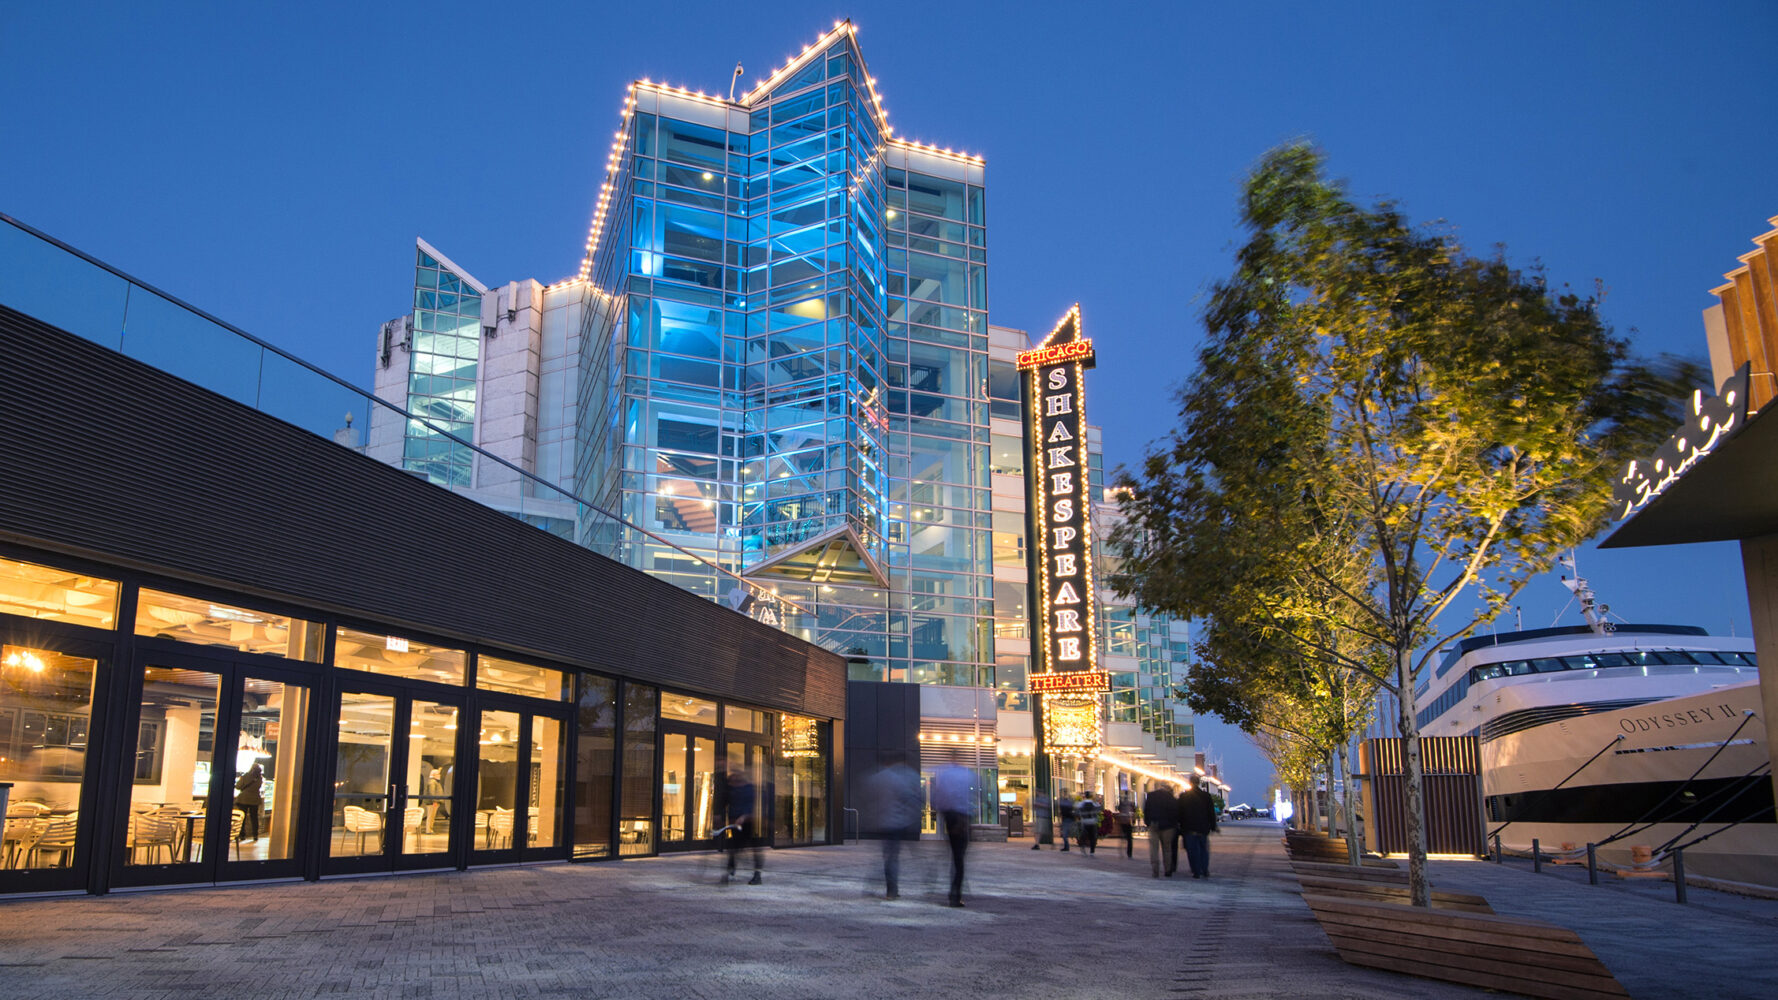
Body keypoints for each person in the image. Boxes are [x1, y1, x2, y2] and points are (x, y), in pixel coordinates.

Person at [865, 754, 921, 899]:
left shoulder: (876, 778)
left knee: (887, 856)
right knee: (892, 858)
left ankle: (883, 887)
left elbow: (869, 798)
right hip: (896, 823)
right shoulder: (896, 778)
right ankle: (891, 890)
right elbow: (908, 797)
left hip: (882, 822)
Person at [930, 763, 974, 907]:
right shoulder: (966, 775)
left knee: (956, 856)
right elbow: (972, 797)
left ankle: (954, 892)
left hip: (951, 817)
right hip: (960, 818)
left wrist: (943, 813)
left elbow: (937, 799)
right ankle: (955, 894)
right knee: (959, 858)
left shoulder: (945, 775)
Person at [715, 766, 763, 884]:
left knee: (753, 848)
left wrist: (745, 816)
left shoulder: (749, 789)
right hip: (735, 822)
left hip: (748, 822)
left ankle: (757, 874)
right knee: (733, 847)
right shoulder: (731, 788)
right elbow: (723, 801)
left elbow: (750, 805)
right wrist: (718, 815)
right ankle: (730, 871)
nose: (734, 779)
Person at [1179, 779, 1219, 879]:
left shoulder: (1184, 797)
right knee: (1203, 849)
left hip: (1189, 828)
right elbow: (1211, 813)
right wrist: (1213, 826)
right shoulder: (1206, 796)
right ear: (1199, 783)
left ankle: (1196, 871)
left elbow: (1179, 813)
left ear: (1190, 783)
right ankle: (1204, 869)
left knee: (1192, 851)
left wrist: (1180, 827)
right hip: (1203, 828)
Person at [1142, 782, 1179, 877]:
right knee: (1167, 849)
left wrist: (1148, 822)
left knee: (1154, 849)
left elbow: (1146, 810)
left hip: (1153, 825)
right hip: (1168, 827)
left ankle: (1155, 870)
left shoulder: (1151, 796)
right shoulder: (1172, 798)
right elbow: (1176, 813)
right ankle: (1167, 869)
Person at [233, 761, 264, 843]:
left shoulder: (246, 776)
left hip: (244, 799)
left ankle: (242, 835)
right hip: (255, 800)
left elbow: (238, 786)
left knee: (242, 817)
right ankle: (255, 835)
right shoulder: (260, 778)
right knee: (254, 818)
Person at [422, 767, 446, 834]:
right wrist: (434, 801)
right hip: (432, 802)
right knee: (431, 816)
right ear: (434, 775)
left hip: (434, 802)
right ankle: (429, 830)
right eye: (438, 774)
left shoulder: (434, 782)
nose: (439, 775)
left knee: (432, 816)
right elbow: (431, 793)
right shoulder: (432, 782)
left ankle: (430, 829)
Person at [1116, 792, 1136, 858]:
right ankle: (1129, 854)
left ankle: (1121, 852)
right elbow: (1133, 812)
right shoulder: (1131, 804)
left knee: (1122, 837)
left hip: (1122, 821)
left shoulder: (1121, 804)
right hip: (1128, 821)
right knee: (1129, 839)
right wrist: (1133, 820)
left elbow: (1119, 810)